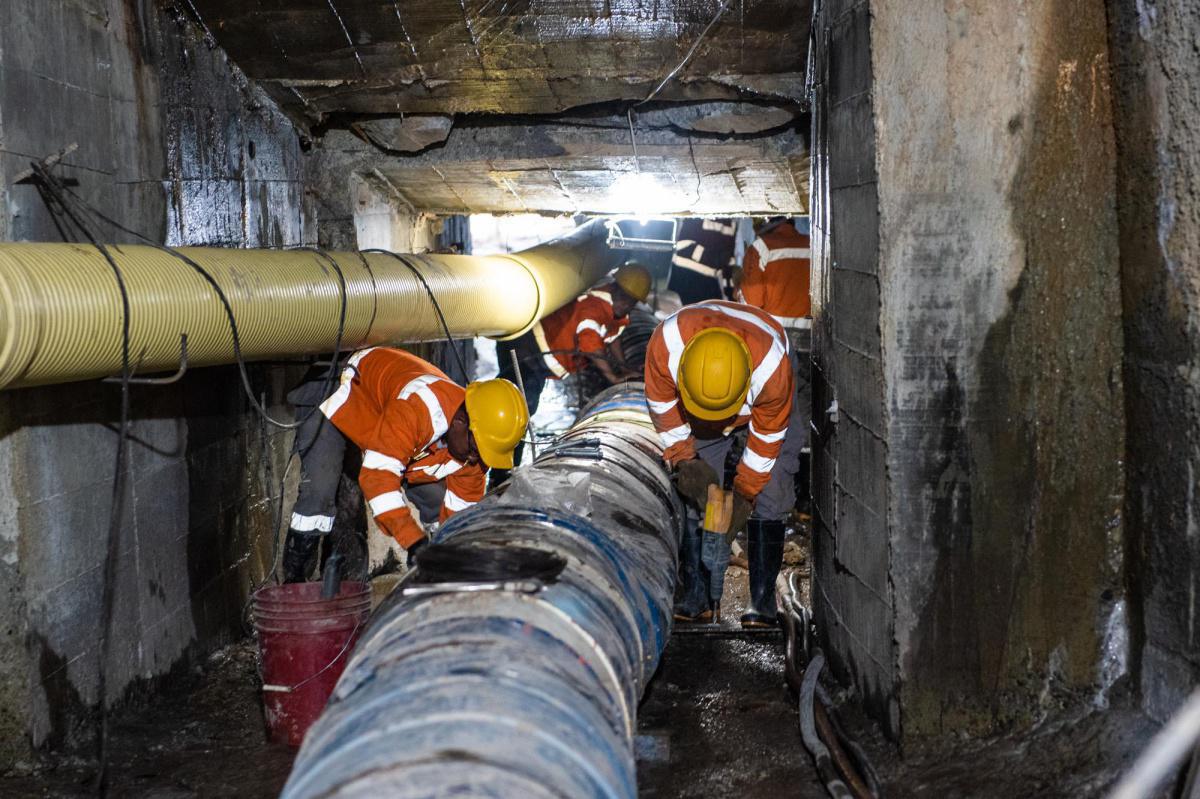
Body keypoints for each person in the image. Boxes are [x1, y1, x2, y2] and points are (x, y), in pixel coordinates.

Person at [281, 347, 528, 582]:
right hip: (338, 392)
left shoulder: (474, 448)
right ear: (461, 422)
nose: (477, 460)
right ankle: (295, 584)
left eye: (486, 454)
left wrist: (453, 560)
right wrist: (413, 542)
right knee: (319, 494)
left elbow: (460, 519)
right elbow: (377, 478)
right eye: (477, 450)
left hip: (389, 428)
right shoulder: (417, 408)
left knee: (436, 499)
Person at [644, 300, 803, 628]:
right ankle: (697, 596)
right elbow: (665, 412)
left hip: (765, 393)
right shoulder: (665, 348)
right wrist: (686, 461)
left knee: (771, 488)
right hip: (702, 403)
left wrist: (744, 496)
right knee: (696, 492)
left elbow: (765, 446)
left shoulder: (772, 371)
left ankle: (762, 604)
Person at [491, 261, 652, 483]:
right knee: (515, 411)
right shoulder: (593, 308)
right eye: (625, 299)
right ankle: (499, 474)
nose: (626, 306)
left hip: (538, 354)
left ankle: (505, 467)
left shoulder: (616, 310)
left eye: (631, 303)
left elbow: (612, 337)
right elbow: (591, 345)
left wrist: (624, 367)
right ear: (615, 289)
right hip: (525, 348)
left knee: (524, 408)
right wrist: (614, 378)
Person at [739, 216, 813, 508]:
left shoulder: (762, 247)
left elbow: (750, 305)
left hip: (776, 345)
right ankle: (805, 493)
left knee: (772, 414)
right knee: (806, 415)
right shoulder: (811, 244)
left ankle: (769, 488)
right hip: (812, 343)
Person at [669, 217, 737, 304]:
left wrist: (731, 294)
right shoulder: (699, 210)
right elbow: (682, 246)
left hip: (710, 284)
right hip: (686, 278)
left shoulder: (731, 219)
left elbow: (728, 262)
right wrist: (714, 259)